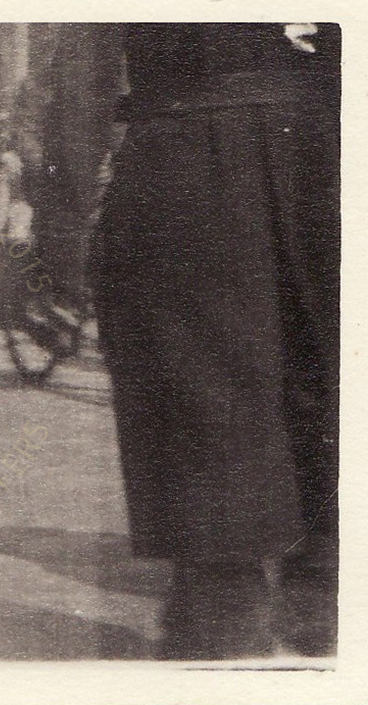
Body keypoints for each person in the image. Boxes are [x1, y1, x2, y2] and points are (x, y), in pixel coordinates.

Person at [90, 23, 340, 659]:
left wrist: (59, 233)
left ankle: (223, 605)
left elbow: (80, 71)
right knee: (327, 367)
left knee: (198, 379)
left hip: (183, 153)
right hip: (325, 146)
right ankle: (322, 589)